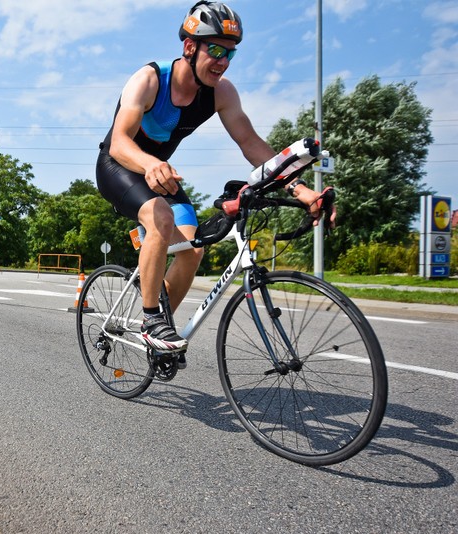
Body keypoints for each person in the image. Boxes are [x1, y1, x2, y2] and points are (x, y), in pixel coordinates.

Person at [96, 1, 336, 363]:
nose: (223, 61)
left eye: (231, 54)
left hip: (160, 173)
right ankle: (150, 320)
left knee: (193, 251)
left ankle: (161, 332)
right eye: (217, 50)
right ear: (190, 47)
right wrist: (149, 164)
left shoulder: (221, 92)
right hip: (119, 165)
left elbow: (252, 144)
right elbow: (119, 142)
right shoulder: (148, 80)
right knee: (160, 218)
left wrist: (300, 189)